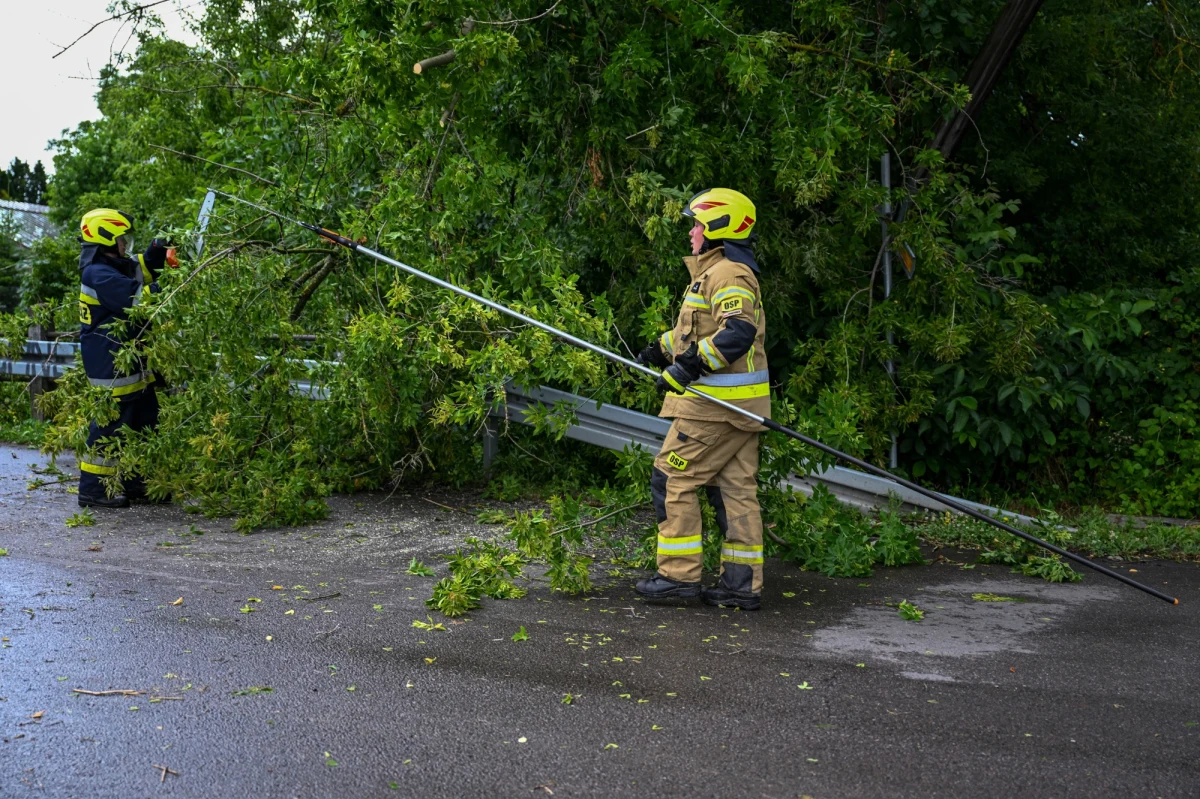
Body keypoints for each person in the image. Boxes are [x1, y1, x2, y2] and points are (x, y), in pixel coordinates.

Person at [633, 188, 770, 610]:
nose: (692, 232)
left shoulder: (727, 273)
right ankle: (740, 585)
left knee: (672, 478)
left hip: (714, 410)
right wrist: (659, 350)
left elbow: (736, 333)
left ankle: (678, 577)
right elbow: (695, 331)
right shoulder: (712, 273)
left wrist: (689, 366)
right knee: (735, 491)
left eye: (697, 224)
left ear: (717, 228)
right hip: (739, 411)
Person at [77, 208, 173, 508]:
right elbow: (139, 299)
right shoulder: (98, 274)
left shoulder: (113, 265)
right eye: (121, 239)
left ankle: (140, 485)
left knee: (145, 425)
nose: (125, 245)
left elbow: (139, 268)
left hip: (133, 365)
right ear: (106, 241)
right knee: (109, 430)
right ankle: (93, 491)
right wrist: (175, 284)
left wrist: (158, 248)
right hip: (112, 367)